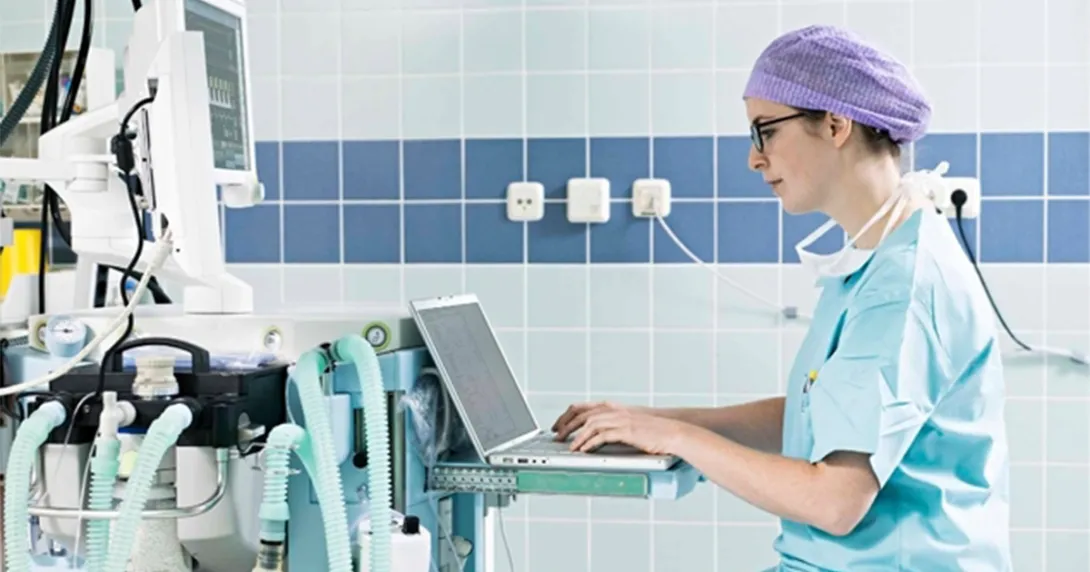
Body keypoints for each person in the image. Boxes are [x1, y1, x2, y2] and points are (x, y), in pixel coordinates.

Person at [552, 25, 1011, 571]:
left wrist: (674, 436)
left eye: (764, 130)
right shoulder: (878, 258)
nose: (754, 157)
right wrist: (649, 421)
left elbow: (835, 500)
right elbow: (823, 417)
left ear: (836, 124)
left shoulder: (904, 286)